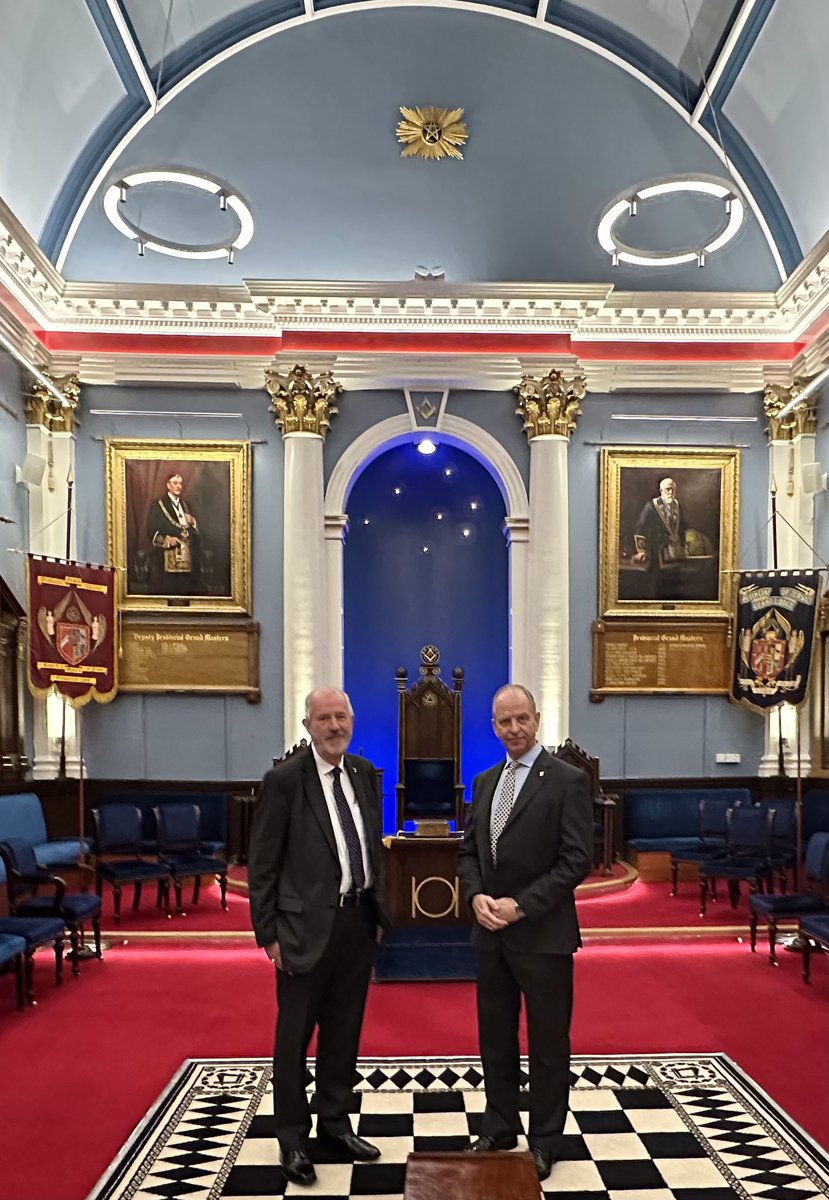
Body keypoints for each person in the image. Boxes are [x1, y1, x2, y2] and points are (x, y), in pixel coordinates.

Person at [248, 687, 389, 1187]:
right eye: (324, 718)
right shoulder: (285, 780)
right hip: (301, 930)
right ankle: (291, 1137)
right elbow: (262, 863)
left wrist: (378, 911)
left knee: (344, 1031)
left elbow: (371, 845)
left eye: (342, 716)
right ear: (308, 725)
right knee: (294, 1037)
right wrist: (268, 934)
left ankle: (333, 1124)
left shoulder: (364, 775)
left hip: (355, 923)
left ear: (353, 720)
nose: (335, 726)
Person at [457, 684, 593, 1182]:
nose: (513, 729)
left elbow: (577, 860)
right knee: (495, 1036)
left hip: (544, 935)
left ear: (537, 719)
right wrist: (475, 897)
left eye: (521, 719)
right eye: (503, 722)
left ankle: (545, 1139)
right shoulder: (485, 780)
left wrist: (522, 906)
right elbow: (469, 852)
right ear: (493, 726)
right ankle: (499, 1124)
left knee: (548, 1042)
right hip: (490, 935)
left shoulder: (567, 781)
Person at [146, 472, 200, 595]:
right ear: (168, 485)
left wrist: (193, 522)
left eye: (180, 483)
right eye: (175, 483)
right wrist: (166, 540)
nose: (178, 486)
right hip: (166, 559)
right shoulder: (158, 505)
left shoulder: (187, 505)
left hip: (187, 559)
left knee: (186, 593)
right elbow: (150, 530)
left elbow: (194, 533)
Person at [633, 477, 687, 573]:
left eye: (673, 489)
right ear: (661, 491)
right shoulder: (651, 506)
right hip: (656, 554)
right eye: (667, 489)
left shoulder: (678, 506)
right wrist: (641, 551)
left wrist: (681, 542)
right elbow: (640, 528)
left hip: (675, 556)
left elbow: (682, 527)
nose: (670, 492)